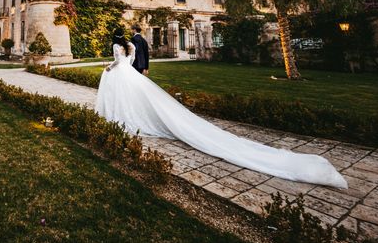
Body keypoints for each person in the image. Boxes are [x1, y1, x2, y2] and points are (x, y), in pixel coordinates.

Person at [95, 28, 347, 189]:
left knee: (128, 101)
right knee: (140, 100)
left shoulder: (118, 47)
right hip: (132, 76)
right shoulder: (130, 45)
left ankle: (125, 118)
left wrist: (107, 68)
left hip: (122, 75)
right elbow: (129, 59)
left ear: (113, 38)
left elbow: (118, 63)